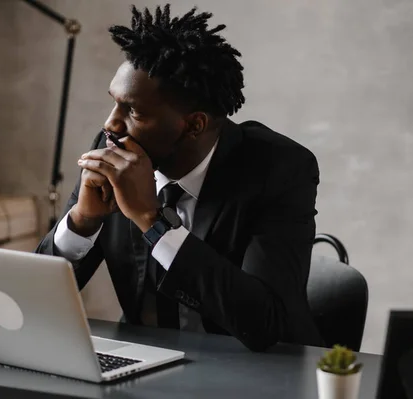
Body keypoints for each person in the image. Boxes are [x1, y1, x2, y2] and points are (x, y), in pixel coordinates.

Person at [36, 4, 324, 352]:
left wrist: (152, 222)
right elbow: (35, 300)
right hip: (147, 366)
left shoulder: (278, 168)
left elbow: (267, 323)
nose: (110, 124)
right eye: (114, 103)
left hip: (254, 372)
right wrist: (83, 221)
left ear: (194, 125)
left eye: (133, 111)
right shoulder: (114, 152)